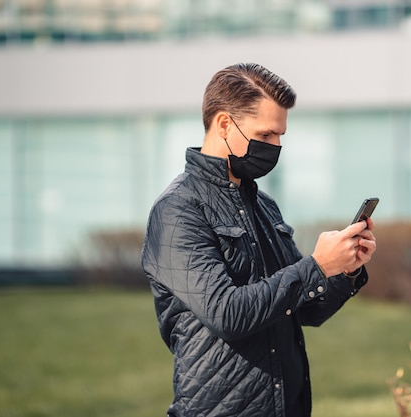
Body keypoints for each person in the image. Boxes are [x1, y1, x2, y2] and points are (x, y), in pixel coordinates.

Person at [141, 62, 377, 417]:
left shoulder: (264, 205)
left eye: (280, 136)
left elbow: (306, 308)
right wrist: (316, 266)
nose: (276, 146)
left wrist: (344, 271)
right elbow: (228, 314)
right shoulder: (177, 210)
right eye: (266, 135)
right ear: (224, 124)